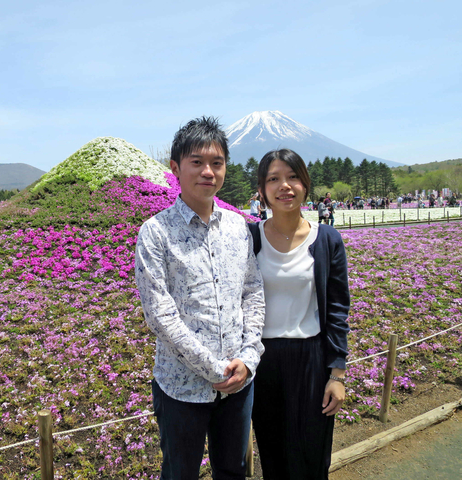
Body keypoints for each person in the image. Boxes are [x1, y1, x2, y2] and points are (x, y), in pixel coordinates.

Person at [135, 116, 265, 479]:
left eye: (217, 163)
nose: (208, 171)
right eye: (197, 162)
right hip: (181, 388)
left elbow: (252, 292)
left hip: (239, 383)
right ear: (175, 167)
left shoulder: (239, 227)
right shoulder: (155, 233)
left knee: (233, 471)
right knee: (180, 474)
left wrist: (249, 357)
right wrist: (214, 369)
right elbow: (160, 316)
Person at [248, 149, 350, 479]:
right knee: (274, 455)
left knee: (313, 454)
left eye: (293, 177)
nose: (285, 186)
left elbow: (337, 309)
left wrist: (337, 374)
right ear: (262, 191)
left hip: (312, 360)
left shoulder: (327, 239)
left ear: (305, 184)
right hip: (264, 362)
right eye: (274, 179)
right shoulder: (251, 238)